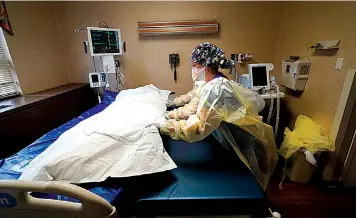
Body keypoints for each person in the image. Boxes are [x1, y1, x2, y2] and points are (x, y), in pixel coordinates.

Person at [161, 42, 277, 189]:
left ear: (207, 66)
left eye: (195, 65)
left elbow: (198, 129)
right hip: (231, 134)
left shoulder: (217, 88)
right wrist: (171, 111)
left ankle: (261, 205)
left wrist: (165, 126)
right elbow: (194, 103)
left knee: (252, 179)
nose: (193, 69)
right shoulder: (208, 81)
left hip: (244, 139)